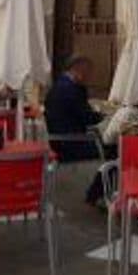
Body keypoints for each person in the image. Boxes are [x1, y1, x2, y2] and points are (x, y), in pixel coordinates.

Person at [45, 56, 105, 204]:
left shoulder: (61, 85)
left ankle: (97, 194)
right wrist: (107, 118)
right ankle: (97, 194)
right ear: (79, 69)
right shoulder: (71, 90)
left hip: (63, 141)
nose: (90, 76)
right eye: (89, 72)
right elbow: (88, 117)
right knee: (117, 151)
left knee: (112, 148)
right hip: (71, 145)